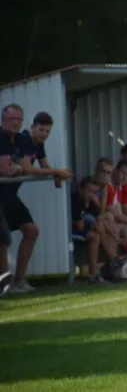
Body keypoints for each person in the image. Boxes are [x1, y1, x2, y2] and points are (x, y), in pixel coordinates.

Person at [0, 104, 40, 293]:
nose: (15, 123)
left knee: (31, 230)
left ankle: (19, 280)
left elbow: (23, 165)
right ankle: (4, 285)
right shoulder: (1, 137)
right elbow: (6, 169)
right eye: (11, 119)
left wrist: (17, 167)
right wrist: (16, 168)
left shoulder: (21, 139)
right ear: (3, 120)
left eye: (18, 119)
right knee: (3, 239)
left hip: (9, 196)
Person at [71, 176, 109, 283]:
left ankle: (94, 273)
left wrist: (97, 203)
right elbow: (79, 226)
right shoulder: (77, 200)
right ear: (80, 189)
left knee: (99, 228)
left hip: (79, 227)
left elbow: (100, 213)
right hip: (70, 231)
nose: (91, 194)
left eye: (94, 192)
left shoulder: (89, 201)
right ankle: (94, 273)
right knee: (95, 236)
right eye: (88, 191)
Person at [21, 111, 72, 184]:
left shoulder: (39, 143)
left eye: (48, 131)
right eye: (41, 130)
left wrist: (58, 174)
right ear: (32, 127)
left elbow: (45, 166)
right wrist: (57, 172)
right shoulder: (24, 138)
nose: (44, 134)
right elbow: (27, 169)